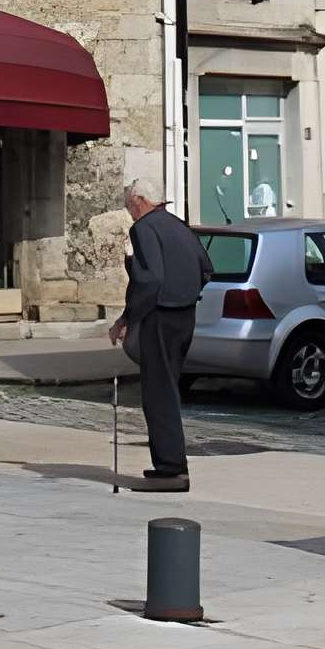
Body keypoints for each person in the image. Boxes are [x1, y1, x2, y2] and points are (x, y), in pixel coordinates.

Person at [108, 178, 214, 491]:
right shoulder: (178, 225)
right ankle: (169, 464)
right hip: (185, 317)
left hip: (162, 318)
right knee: (166, 390)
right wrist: (185, 295)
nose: (129, 211)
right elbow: (206, 268)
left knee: (158, 394)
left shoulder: (143, 229)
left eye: (129, 204)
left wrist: (127, 317)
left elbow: (150, 279)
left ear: (139, 200)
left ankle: (171, 470)